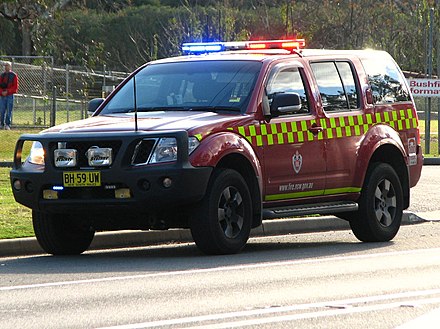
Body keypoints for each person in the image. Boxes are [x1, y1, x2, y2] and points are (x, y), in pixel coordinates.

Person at [0, 62, 19, 130]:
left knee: (9, 110)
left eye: (7, 66)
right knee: (2, 110)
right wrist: (2, 92)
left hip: (9, 95)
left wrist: (7, 91)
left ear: (10, 67)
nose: (6, 67)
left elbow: (15, 87)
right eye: (5, 66)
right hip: (2, 95)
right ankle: (1, 124)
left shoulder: (13, 75)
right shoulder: (2, 75)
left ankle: (7, 124)